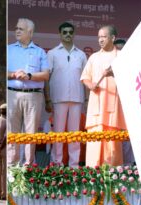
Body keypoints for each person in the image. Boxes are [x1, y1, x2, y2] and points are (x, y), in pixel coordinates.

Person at [80, 25, 126, 166]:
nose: (100, 40)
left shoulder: (121, 57)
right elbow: (85, 77)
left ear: (113, 38)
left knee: (112, 144)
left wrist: (114, 72)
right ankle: (92, 176)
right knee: (94, 141)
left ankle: (113, 177)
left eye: (104, 37)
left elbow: (129, 77)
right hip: (96, 107)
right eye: (99, 37)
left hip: (113, 107)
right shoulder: (94, 57)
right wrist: (90, 85)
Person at [7, 18, 49, 165]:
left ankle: (28, 166)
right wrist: (13, 74)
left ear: (30, 32)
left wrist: (29, 76)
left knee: (30, 133)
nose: (17, 31)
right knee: (13, 131)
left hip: (33, 95)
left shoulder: (40, 52)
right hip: (13, 94)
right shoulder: (9, 49)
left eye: (21, 29)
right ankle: (12, 166)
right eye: (16, 28)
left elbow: (45, 75)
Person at [46, 22, 87, 167]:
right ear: (60, 34)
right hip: (58, 98)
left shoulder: (81, 54)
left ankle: (74, 166)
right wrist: (47, 99)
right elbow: (46, 77)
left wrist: (86, 98)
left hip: (77, 98)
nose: (68, 34)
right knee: (58, 133)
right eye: (65, 32)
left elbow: (85, 77)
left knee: (74, 134)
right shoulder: (52, 53)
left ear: (74, 34)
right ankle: (57, 164)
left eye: (70, 32)